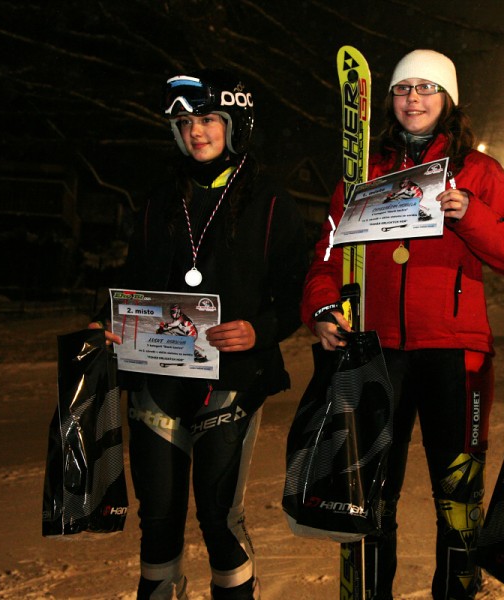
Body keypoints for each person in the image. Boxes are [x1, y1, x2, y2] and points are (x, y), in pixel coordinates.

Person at [302, 49, 504, 599]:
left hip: (456, 353)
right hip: (377, 350)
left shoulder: (479, 171)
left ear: (448, 99)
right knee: (371, 493)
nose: (413, 99)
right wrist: (322, 308)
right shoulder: (364, 173)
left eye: (427, 88)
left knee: (458, 494)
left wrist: (472, 214)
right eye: (404, 88)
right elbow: (327, 255)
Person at [90, 69, 308, 599]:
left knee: (217, 516)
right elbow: (133, 280)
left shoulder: (271, 202)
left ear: (235, 125)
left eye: (209, 119)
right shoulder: (161, 198)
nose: (196, 132)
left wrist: (260, 330)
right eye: (185, 123)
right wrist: (108, 319)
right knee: (158, 516)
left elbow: (297, 293)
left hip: (232, 377)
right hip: (158, 376)